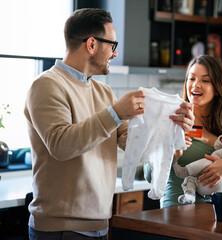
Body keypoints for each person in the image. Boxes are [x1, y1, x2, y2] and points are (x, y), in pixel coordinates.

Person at [24, 8, 194, 240]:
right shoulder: (46, 85)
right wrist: (114, 113)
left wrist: (172, 132)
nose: (115, 54)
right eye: (112, 45)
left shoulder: (103, 91)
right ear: (92, 44)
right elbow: (60, 145)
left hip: (100, 224)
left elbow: (132, 141)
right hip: (60, 229)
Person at [144, 55, 222, 208]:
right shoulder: (172, 119)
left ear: (219, 88)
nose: (195, 85)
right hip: (176, 211)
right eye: (191, 79)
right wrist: (170, 153)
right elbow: (148, 175)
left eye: (205, 80)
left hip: (219, 212)